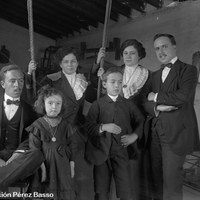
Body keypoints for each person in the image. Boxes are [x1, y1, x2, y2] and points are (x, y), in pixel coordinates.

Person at [144, 33, 200, 200]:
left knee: (171, 182)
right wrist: (157, 106)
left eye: (164, 46)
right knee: (156, 179)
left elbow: (182, 96)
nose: (161, 51)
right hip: (155, 133)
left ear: (174, 46)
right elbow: (143, 101)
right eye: (157, 48)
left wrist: (154, 97)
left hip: (176, 134)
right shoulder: (153, 75)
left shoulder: (189, 70)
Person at [94, 39, 152, 200]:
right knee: (106, 174)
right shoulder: (114, 70)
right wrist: (98, 63)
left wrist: (136, 134)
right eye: (125, 53)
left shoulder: (148, 75)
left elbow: (147, 104)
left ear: (139, 55)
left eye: (132, 53)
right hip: (111, 127)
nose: (128, 56)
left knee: (130, 174)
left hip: (133, 129)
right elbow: (97, 85)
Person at [85, 67, 144, 200]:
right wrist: (104, 127)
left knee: (125, 188)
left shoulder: (128, 105)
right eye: (113, 82)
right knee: (101, 189)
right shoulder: (97, 105)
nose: (116, 85)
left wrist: (134, 136)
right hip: (101, 152)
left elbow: (141, 121)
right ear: (104, 84)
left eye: (119, 82)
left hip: (122, 151)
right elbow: (88, 127)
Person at [26, 86, 77, 200]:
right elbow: (34, 149)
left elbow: (72, 146)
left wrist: (72, 165)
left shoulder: (66, 125)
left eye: (58, 103)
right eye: (50, 103)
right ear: (43, 104)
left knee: (63, 193)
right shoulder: (38, 125)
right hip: (44, 164)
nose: (54, 107)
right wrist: (42, 168)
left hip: (62, 165)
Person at [0, 64, 44, 189]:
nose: (17, 85)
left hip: (17, 158)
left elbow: (30, 137)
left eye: (20, 81)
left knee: (37, 155)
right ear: (3, 84)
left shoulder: (30, 110)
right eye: (12, 81)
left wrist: (16, 155)